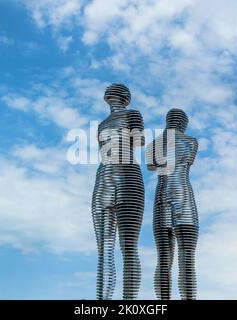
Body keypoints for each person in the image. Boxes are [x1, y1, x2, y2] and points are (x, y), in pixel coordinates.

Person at [92, 84, 145, 300]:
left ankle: (128, 302)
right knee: (104, 250)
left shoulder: (134, 115)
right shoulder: (101, 124)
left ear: (125, 97)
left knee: (128, 246)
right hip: (103, 179)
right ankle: (102, 301)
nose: (108, 90)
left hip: (128, 177)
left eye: (114, 89)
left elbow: (138, 142)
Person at [146, 108, 199, 300]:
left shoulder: (154, 144)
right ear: (184, 123)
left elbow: (151, 166)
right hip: (183, 195)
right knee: (187, 258)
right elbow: (187, 163)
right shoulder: (191, 141)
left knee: (163, 258)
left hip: (162, 196)